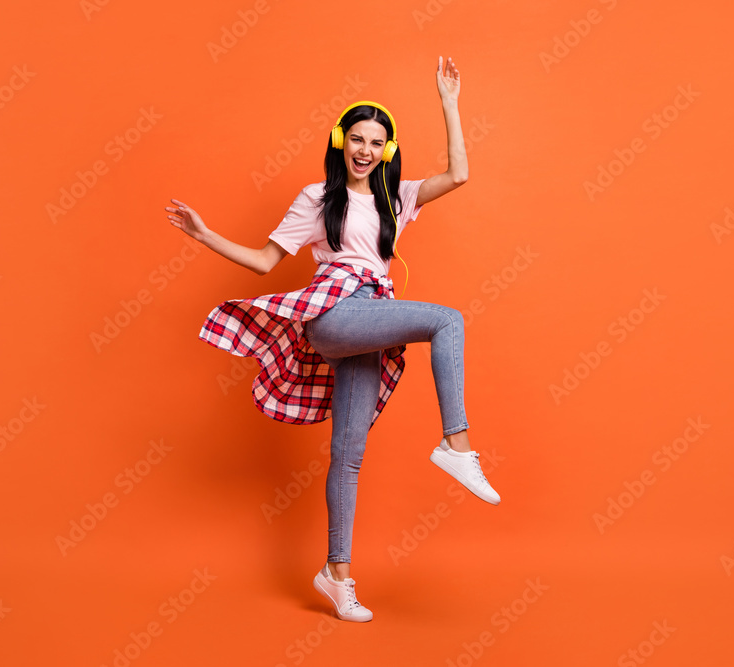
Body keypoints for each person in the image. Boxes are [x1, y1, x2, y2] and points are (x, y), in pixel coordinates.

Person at [164, 56, 500, 623]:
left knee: (348, 454)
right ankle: (456, 445)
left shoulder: (398, 198)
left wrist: (449, 102)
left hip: (373, 320)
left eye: (377, 142)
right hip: (334, 312)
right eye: (357, 139)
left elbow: (461, 175)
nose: (365, 150)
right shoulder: (317, 197)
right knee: (448, 320)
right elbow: (265, 262)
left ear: (388, 150)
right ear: (341, 142)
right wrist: (205, 235)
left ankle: (336, 575)